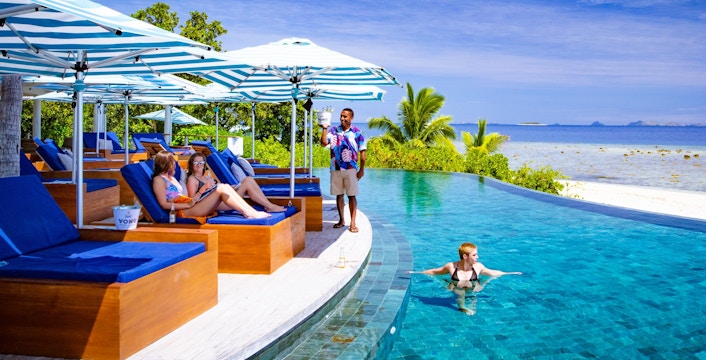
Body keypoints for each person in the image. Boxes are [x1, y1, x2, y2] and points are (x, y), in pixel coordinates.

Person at [151, 150, 271, 220]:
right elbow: (164, 204)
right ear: (166, 163)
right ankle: (249, 213)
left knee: (225, 187)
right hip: (182, 212)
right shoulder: (159, 180)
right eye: (172, 162)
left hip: (189, 204)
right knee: (221, 188)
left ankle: (250, 211)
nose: (175, 165)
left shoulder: (171, 178)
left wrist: (191, 200)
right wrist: (187, 205)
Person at [412, 242, 522, 315]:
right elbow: (434, 271)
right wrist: (415, 272)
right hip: (456, 289)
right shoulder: (451, 266)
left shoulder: (478, 267)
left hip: (473, 288)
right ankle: (461, 307)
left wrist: (511, 273)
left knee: (485, 280)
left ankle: (473, 294)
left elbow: (493, 272)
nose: (477, 257)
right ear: (465, 256)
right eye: (474, 255)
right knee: (459, 291)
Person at [185, 152, 286, 213]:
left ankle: (268, 204)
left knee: (248, 179)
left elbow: (215, 189)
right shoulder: (192, 179)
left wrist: (229, 188)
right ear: (191, 164)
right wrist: (204, 188)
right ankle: (269, 206)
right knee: (246, 184)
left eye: (201, 162)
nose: (199, 165)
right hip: (214, 204)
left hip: (221, 198)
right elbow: (192, 201)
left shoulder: (206, 176)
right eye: (195, 162)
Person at [320, 107, 366, 233]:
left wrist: (361, 170)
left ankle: (352, 223)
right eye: (341, 116)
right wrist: (324, 128)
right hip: (335, 168)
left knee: (351, 195)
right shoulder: (334, 131)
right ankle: (341, 220)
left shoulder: (357, 132)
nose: (342, 118)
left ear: (351, 118)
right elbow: (324, 143)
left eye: (345, 116)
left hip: (351, 168)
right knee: (339, 195)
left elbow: (363, 152)